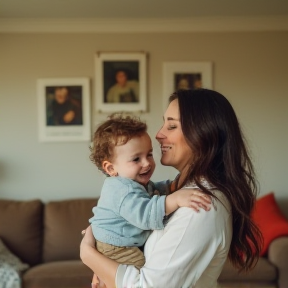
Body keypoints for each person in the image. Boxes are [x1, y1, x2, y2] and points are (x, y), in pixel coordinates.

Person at [81, 89, 263, 288]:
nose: (159, 134)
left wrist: (88, 254)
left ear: (203, 134)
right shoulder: (182, 192)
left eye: (172, 125)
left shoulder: (201, 205)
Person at [88, 114, 211, 282]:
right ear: (111, 168)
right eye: (136, 159)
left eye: (149, 154)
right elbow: (146, 215)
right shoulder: (123, 191)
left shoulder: (131, 183)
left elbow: (151, 190)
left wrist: (170, 187)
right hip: (116, 248)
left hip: (119, 243)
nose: (147, 163)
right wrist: (174, 199)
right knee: (141, 275)